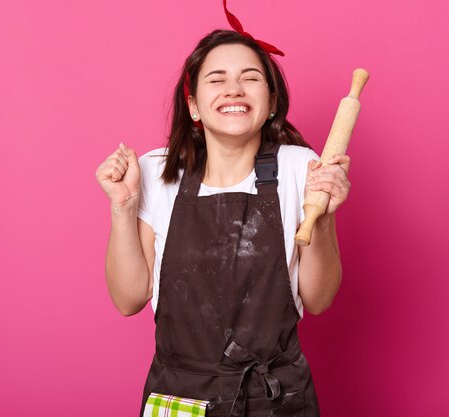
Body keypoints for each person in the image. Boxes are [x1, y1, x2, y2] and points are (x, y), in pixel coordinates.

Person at [95, 3, 351, 416]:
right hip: (179, 397)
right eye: (217, 79)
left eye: (250, 78)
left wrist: (324, 219)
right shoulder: (157, 172)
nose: (234, 89)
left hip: (277, 400)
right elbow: (128, 299)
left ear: (270, 103)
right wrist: (122, 207)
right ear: (194, 106)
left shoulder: (301, 167)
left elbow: (318, 300)